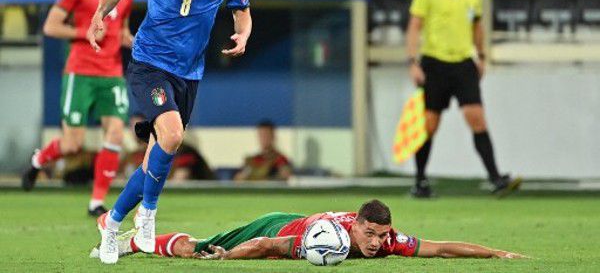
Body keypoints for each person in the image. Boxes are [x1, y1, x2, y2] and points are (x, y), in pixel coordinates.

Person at [89, 0, 252, 264]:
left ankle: (111, 224)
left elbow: (242, 11)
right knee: (174, 134)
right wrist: (101, 14)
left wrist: (242, 34)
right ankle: (147, 214)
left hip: (189, 73)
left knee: (155, 157)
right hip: (149, 64)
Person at [21, 0, 134, 217]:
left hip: (112, 73)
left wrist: (135, 42)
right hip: (80, 72)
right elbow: (50, 26)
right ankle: (39, 160)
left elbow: (122, 31)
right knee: (73, 144)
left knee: (117, 134)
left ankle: (96, 202)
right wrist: (82, 33)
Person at [405, 0, 521, 198]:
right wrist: (412, 62)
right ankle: (420, 181)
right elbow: (414, 26)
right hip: (434, 63)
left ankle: (495, 178)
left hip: (463, 63)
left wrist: (481, 55)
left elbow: (477, 26)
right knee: (429, 125)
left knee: (476, 117)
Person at [90, 199, 526, 260]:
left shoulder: (388, 240)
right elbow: (267, 244)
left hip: (283, 231)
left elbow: (441, 248)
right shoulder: (323, 236)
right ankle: (131, 239)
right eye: (369, 233)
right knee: (202, 249)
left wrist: (497, 253)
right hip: (277, 224)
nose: (376, 242)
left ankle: (131, 237)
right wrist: (228, 259)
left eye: (381, 235)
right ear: (353, 227)